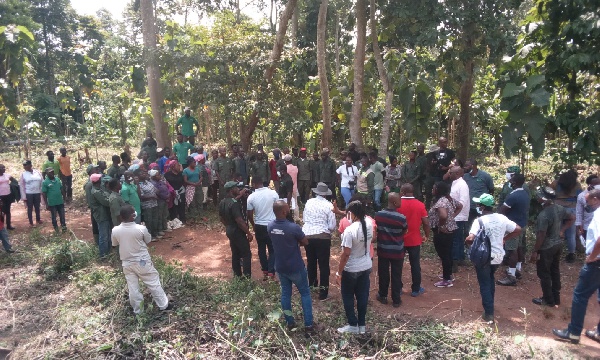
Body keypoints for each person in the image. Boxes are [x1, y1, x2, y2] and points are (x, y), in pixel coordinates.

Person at [553, 189, 600, 344]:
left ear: (595, 198)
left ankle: (573, 332)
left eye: (588, 201)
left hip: (596, 263)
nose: (587, 204)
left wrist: (591, 258)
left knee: (580, 295)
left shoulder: (599, 214)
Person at [465, 193, 521, 323]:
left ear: (482, 207)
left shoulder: (479, 221)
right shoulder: (502, 218)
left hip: (483, 256)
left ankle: (489, 313)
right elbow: (518, 229)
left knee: (484, 282)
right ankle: (490, 304)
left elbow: (471, 238)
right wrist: (504, 239)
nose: (477, 206)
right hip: (498, 256)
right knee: (490, 279)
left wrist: (467, 242)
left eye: (478, 204)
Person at [111, 205, 172, 314]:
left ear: (121, 217)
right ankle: (164, 305)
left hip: (127, 264)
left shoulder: (115, 230)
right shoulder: (141, 228)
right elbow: (148, 240)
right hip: (142, 262)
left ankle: (138, 311)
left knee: (133, 288)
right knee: (153, 282)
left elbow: (115, 244)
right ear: (133, 216)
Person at [268, 200, 315, 332]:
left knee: (285, 293)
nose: (289, 209)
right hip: (295, 266)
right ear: (284, 211)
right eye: (287, 208)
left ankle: (290, 322)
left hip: (280, 266)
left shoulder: (270, 226)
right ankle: (308, 325)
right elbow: (305, 241)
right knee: (305, 293)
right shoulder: (293, 227)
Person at [530, 186, 575, 307]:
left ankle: (548, 300)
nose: (537, 197)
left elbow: (541, 235)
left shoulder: (543, 215)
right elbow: (572, 217)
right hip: (558, 244)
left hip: (547, 247)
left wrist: (535, 251)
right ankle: (556, 297)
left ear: (543, 199)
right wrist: (562, 231)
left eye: (539, 196)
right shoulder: (559, 208)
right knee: (555, 270)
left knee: (544, 273)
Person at [336, 200, 374, 334]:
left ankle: (353, 324)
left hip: (351, 268)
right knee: (363, 295)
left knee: (347, 296)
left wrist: (338, 273)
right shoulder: (369, 223)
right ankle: (362, 326)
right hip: (366, 265)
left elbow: (346, 254)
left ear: (351, 213)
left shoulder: (349, 230)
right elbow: (372, 239)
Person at [303, 183, 336, 300]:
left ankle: (312, 286)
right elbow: (332, 226)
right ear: (326, 194)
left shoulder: (308, 202)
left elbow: (305, 219)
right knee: (323, 265)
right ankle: (323, 293)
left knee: (311, 262)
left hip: (308, 235)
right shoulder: (329, 205)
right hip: (323, 237)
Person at [374, 193, 407, 307]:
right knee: (396, 275)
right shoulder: (401, 218)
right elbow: (404, 231)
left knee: (383, 273)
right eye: (399, 201)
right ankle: (396, 300)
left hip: (383, 249)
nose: (401, 203)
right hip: (397, 251)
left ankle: (382, 295)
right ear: (394, 202)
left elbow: (376, 229)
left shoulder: (378, 215)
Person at [497, 174, 530, 286]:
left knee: (512, 250)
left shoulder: (513, 196)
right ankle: (517, 269)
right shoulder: (525, 193)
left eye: (511, 180)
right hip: (522, 224)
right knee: (519, 247)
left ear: (514, 182)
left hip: (513, 226)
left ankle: (511, 275)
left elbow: (502, 210)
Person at [397, 183, 430, 297]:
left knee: (398, 265)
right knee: (415, 264)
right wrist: (427, 234)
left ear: (402, 192)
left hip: (399, 239)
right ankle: (416, 289)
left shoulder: (397, 204)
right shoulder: (420, 205)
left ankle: (398, 288)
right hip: (414, 239)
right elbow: (425, 222)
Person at [429, 181, 462, 287]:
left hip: (442, 232)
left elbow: (443, 216)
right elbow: (460, 206)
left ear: (438, 190)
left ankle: (446, 280)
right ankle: (448, 275)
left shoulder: (441, 202)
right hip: (450, 230)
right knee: (447, 253)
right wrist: (452, 216)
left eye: (434, 188)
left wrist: (442, 225)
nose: (432, 190)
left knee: (444, 255)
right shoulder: (449, 199)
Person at [219, 181, 254, 277]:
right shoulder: (234, 203)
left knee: (235, 253)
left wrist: (228, 226)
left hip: (229, 229)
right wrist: (248, 233)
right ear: (231, 190)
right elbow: (239, 221)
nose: (238, 189)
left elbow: (221, 218)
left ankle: (237, 275)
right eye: (236, 188)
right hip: (237, 230)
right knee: (246, 254)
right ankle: (247, 277)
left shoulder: (222, 202)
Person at [247, 176, 279, 280]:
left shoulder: (251, 197)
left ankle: (265, 270)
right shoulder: (273, 194)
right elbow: (279, 208)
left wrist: (254, 224)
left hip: (259, 225)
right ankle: (271, 271)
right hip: (272, 224)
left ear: (254, 184)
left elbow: (249, 214)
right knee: (273, 249)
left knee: (261, 249)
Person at [550, 169, 582, 263]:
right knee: (571, 234)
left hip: (557, 208)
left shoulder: (556, 183)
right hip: (571, 209)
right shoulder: (577, 185)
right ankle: (571, 255)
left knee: (556, 231)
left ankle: (555, 253)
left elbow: (549, 192)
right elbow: (580, 196)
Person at [448, 166, 470, 272]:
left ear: (456, 173)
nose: (449, 174)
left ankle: (454, 262)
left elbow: (462, 202)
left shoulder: (462, 185)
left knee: (455, 239)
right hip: (456, 215)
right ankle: (460, 258)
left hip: (458, 216)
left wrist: (453, 215)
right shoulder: (455, 183)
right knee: (458, 237)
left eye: (450, 172)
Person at [424, 138, 455, 209]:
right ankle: (436, 208)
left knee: (447, 191)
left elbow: (454, 161)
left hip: (447, 175)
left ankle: (447, 207)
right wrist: (434, 164)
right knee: (437, 192)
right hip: (437, 175)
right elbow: (431, 162)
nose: (445, 144)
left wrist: (448, 167)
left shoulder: (450, 152)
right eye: (443, 142)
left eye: (446, 142)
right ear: (440, 143)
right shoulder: (435, 152)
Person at [463, 159, 495, 226]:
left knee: (484, 225)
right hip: (470, 206)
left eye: (466, 165)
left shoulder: (485, 176)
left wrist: (486, 202)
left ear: (473, 166)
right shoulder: (465, 176)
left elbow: (491, 189)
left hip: (482, 207)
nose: (464, 167)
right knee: (468, 226)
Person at [90, 173, 111, 257]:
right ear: (98, 181)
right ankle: (103, 255)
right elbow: (105, 202)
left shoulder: (99, 189)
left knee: (107, 235)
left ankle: (107, 253)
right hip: (101, 216)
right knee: (104, 236)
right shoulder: (96, 192)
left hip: (104, 215)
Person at [138, 169, 161, 241]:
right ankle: (150, 236)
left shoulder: (148, 182)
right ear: (138, 176)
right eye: (142, 174)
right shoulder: (139, 185)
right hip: (147, 206)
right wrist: (152, 196)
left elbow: (154, 189)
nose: (144, 174)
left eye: (144, 173)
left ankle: (155, 233)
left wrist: (157, 191)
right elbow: (141, 196)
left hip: (154, 203)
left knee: (155, 219)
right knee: (149, 221)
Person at [20, 160, 44, 227]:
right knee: (30, 208)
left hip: (37, 192)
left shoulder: (37, 172)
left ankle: (38, 219)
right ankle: (31, 222)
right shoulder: (23, 174)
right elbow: (21, 186)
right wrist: (23, 196)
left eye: (26, 165)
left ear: (30, 165)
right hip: (29, 193)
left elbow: (42, 181)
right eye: (24, 165)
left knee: (37, 207)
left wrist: (42, 191)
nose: (24, 167)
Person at [576, 175, 600, 241]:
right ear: (590, 185)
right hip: (588, 226)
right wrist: (579, 224)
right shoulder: (581, 196)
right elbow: (579, 212)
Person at [150, 170, 170, 234]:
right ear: (153, 177)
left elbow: (166, 188)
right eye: (157, 175)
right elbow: (158, 193)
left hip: (165, 200)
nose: (159, 176)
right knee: (160, 215)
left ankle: (165, 227)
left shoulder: (161, 182)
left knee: (165, 214)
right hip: (160, 201)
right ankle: (160, 229)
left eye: (159, 174)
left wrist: (168, 195)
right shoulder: (153, 184)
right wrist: (165, 197)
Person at [0, 164, 17, 230]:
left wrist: (12, 187)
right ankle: (2, 226)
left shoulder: (7, 175)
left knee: (8, 211)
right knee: (1, 211)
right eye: (2, 168)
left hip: (8, 195)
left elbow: (14, 181)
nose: (4, 169)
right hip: (1, 196)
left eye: (4, 167)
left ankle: (9, 225)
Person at [285, 155, 299, 220]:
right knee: (295, 203)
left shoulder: (285, 168)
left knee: (287, 203)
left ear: (285, 161)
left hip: (287, 189)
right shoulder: (296, 168)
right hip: (295, 187)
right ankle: (296, 218)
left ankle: (287, 217)